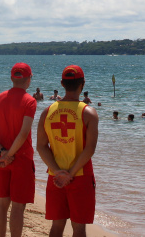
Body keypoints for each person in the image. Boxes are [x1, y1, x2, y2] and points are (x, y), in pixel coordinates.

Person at [37, 65, 99, 237]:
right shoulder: (89, 113)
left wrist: (58, 172)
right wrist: (70, 173)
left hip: (55, 177)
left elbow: (41, 146)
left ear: (62, 84)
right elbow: (90, 148)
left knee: (56, 227)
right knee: (79, 229)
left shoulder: (47, 112)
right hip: (80, 177)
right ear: (83, 84)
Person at [0, 62, 37, 237]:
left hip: (1, 158)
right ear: (29, 79)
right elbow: (23, 134)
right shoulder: (29, 101)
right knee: (18, 206)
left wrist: (2, 152)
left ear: (12, 78)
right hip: (21, 158)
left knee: (2, 204)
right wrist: (10, 155)